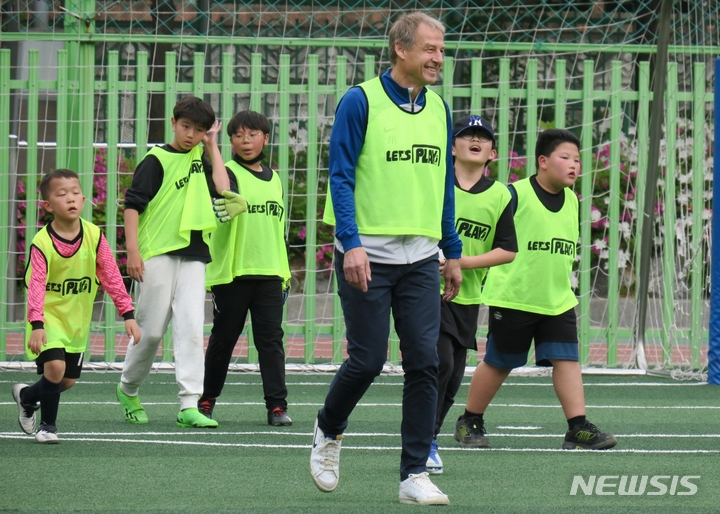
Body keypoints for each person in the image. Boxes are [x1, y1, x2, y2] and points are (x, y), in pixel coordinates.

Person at [311, 12, 462, 506]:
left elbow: (443, 183)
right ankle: (329, 430)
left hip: (421, 258)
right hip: (366, 255)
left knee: (427, 361)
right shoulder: (361, 100)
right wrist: (351, 242)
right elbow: (340, 175)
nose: (438, 58)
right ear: (401, 49)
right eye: (429, 49)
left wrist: (452, 251)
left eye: (441, 50)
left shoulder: (439, 109)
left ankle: (414, 473)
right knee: (369, 359)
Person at [454, 128, 617, 451]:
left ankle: (577, 426)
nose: (574, 165)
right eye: (565, 158)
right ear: (543, 161)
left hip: (557, 299)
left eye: (577, 160)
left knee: (567, 359)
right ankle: (469, 419)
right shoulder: (513, 195)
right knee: (500, 362)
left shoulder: (572, 199)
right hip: (515, 297)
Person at [117, 95, 234, 429]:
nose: (190, 135)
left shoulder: (202, 153)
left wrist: (212, 145)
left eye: (198, 130)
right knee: (150, 332)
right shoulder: (156, 160)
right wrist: (133, 252)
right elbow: (131, 206)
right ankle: (128, 388)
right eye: (186, 127)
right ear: (173, 123)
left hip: (194, 253)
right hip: (156, 252)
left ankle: (188, 404)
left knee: (191, 328)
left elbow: (223, 190)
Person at [12, 169, 141, 443]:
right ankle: (47, 427)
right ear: (48, 205)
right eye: (61, 194)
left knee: (65, 381)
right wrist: (37, 324)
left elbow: (111, 276)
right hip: (47, 320)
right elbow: (35, 285)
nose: (70, 198)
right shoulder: (42, 243)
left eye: (74, 193)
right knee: (55, 369)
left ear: (83, 199)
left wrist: (127, 313)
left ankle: (26, 397)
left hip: (77, 323)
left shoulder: (94, 236)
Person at [427, 115, 517, 474]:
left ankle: (428, 434)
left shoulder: (499, 194)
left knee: (452, 378)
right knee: (440, 363)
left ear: (492, 153)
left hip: (467, 295)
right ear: (453, 147)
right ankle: (423, 442)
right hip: (427, 289)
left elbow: (507, 249)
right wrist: (442, 260)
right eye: (467, 136)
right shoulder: (436, 182)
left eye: (483, 138)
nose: (475, 141)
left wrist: (461, 261)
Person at [198, 110, 292, 427]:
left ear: (266, 138)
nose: (245, 140)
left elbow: (277, 230)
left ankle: (277, 407)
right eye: (238, 135)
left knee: (271, 342)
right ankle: (206, 400)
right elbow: (223, 189)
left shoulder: (276, 179)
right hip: (233, 275)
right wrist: (211, 145)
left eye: (252, 134)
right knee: (223, 339)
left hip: (269, 274)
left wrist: (285, 273)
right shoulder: (229, 172)